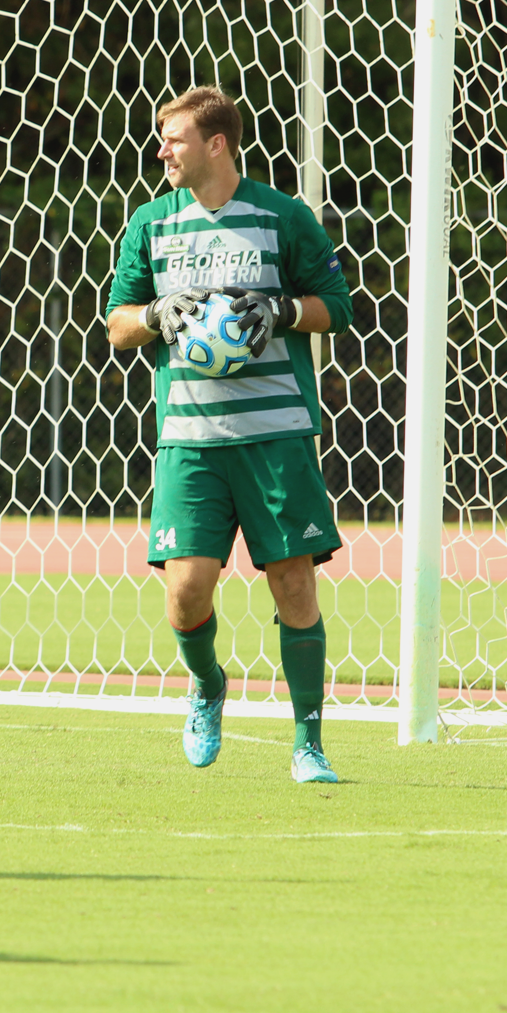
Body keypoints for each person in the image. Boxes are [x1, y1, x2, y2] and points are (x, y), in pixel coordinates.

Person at [105, 86, 353, 783]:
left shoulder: (283, 216)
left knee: (294, 587)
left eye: (173, 138)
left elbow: (337, 308)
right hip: (188, 440)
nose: (162, 150)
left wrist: (277, 310)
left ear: (216, 143)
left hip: (276, 436)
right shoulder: (151, 224)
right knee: (185, 594)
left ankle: (309, 744)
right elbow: (117, 324)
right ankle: (208, 685)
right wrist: (158, 313)